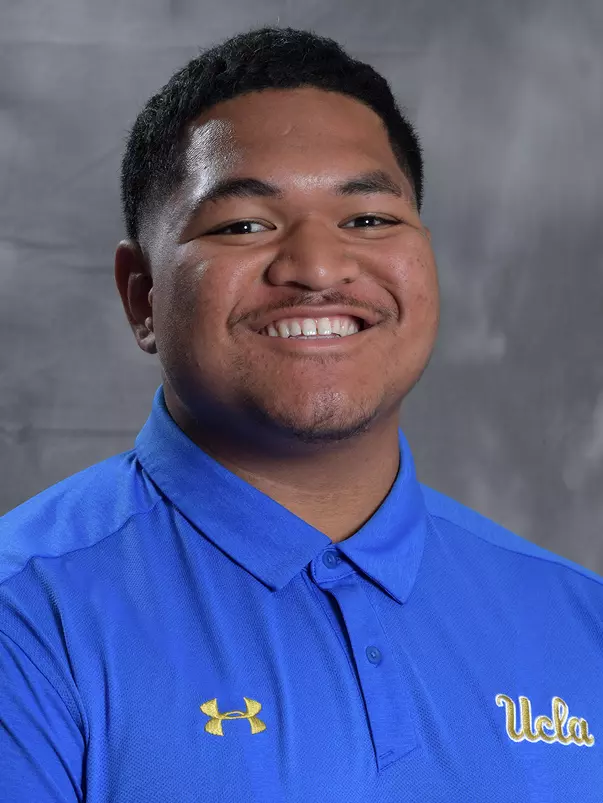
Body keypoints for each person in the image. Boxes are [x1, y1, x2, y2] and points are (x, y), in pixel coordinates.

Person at [1, 25, 602, 803]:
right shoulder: (26, 619)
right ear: (141, 296)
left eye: (368, 220)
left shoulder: (580, 619)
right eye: (243, 225)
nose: (318, 268)